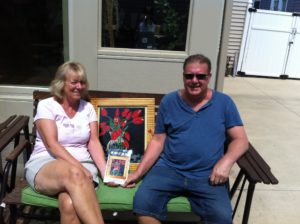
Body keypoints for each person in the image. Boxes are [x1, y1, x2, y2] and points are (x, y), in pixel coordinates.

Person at [124, 54, 249, 224]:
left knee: (222, 216)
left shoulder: (224, 103)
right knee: (143, 202)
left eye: (201, 76)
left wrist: (226, 162)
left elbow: (241, 140)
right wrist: (138, 173)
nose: (194, 80)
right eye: (189, 76)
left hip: (207, 174)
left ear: (209, 77)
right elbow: (158, 140)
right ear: (183, 76)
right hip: (169, 169)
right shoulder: (169, 101)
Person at [25, 62, 107, 224]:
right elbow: (52, 145)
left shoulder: (88, 108)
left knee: (69, 204)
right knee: (74, 173)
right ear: (61, 83)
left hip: (83, 166)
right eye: (74, 82)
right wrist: (79, 167)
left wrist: (105, 173)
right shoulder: (46, 105)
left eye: (82, 82)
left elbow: (93, 142)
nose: (79, 86)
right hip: (47, 163)